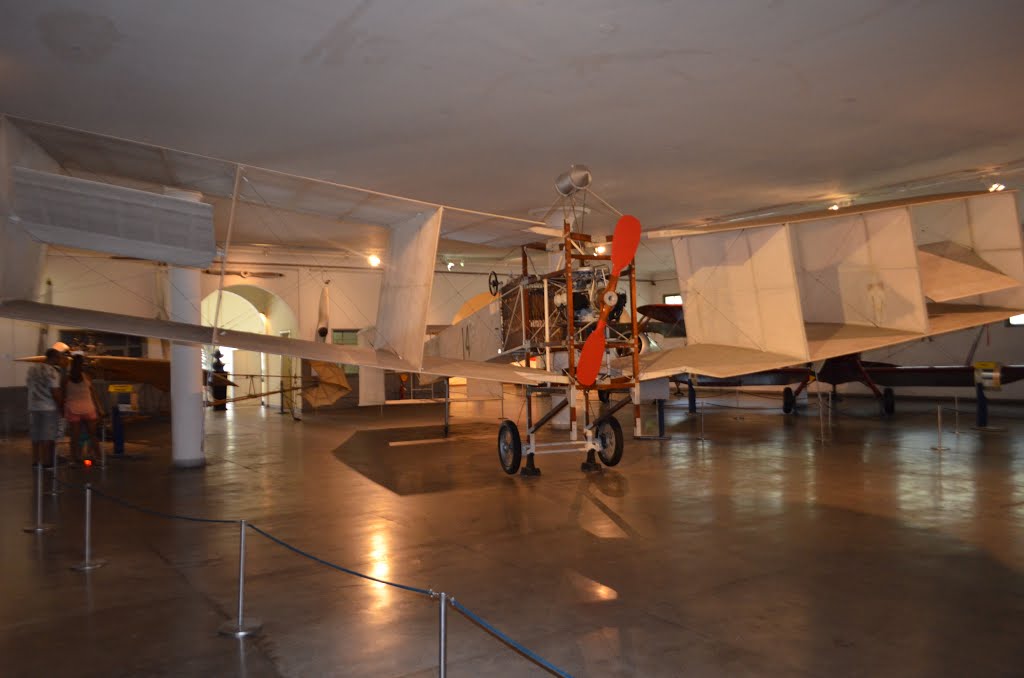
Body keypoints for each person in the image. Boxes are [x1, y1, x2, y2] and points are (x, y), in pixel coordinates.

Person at [63, 353, 104, 466]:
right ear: (82, 365)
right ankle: (99, 458)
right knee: (93, 435)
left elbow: (63, 394)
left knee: (74, 437)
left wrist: (62, 409)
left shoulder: (66, 378)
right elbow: (93, 393)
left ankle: (73, 459)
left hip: (73, 409)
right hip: (88, 409)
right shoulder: (86, 376)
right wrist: (99, 408)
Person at [27, 348, 63, 467]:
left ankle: (35, 461)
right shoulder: (52, 372)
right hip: (49, 407)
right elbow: (55, 391)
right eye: (59, 357)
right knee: (48, 436)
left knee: (36, 435)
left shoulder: (32, 369)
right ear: (54, 358)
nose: (60, 359)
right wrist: (61, 406)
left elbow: (29, 385)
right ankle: (47, 463)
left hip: (33, 406)